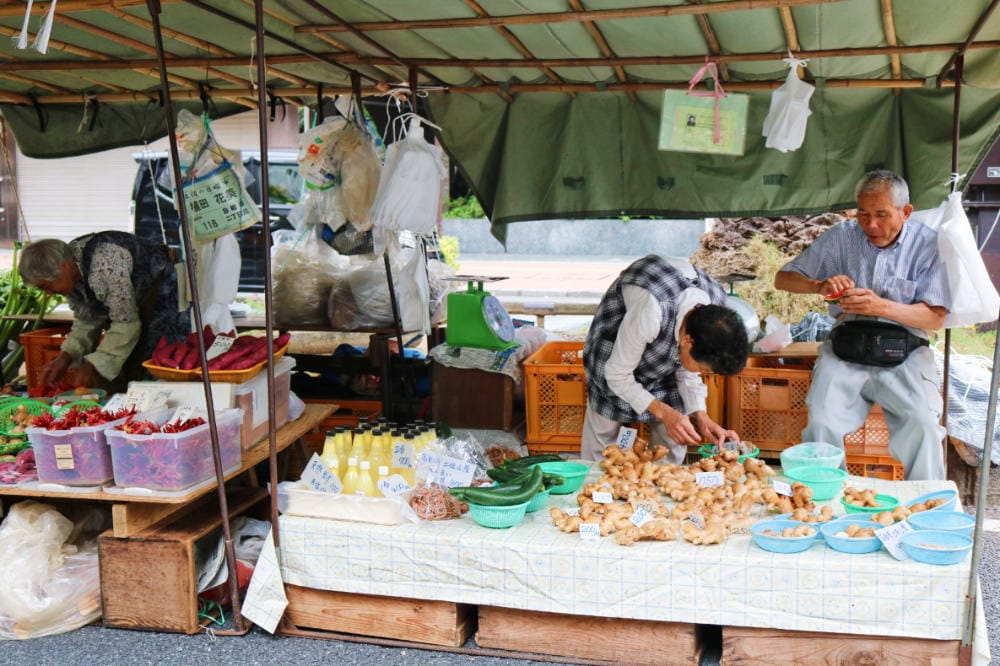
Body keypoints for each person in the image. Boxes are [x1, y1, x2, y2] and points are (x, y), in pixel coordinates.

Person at [774, 170, 950, 481]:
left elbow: (935, 317)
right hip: (847, 345)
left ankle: (925, 505)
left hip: (905, 348)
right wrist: (820, 285)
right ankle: (824, 496)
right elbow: (783, 278)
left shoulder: (928, 245)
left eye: (881, 215)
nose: (870, 225)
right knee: (822, 419)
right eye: (863, 214)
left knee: (923, 423)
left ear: (905, 212)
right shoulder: (842, 236)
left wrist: (881, 306)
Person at [582, 255, 749, 463]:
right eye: (702, 368)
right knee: (603, 445)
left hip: (664, 353)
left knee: (673, 441)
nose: (700, 374)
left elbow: (688, 373)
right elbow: (616, 375)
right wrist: (665, 413)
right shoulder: (652, 309)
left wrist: (701, 416)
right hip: (616, 352)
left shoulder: (716, 312)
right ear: (688, 341)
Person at [19, 232, 191, 392]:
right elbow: (86, 320)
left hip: (162, 294)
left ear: (65, 268)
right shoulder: (73, 274)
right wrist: (65, 357)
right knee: (118, 369)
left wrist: (93, 366)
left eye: (47, 286)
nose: (48, 293)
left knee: (157, 364)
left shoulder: (104, 264)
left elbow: (126, 324)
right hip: (132, 309)